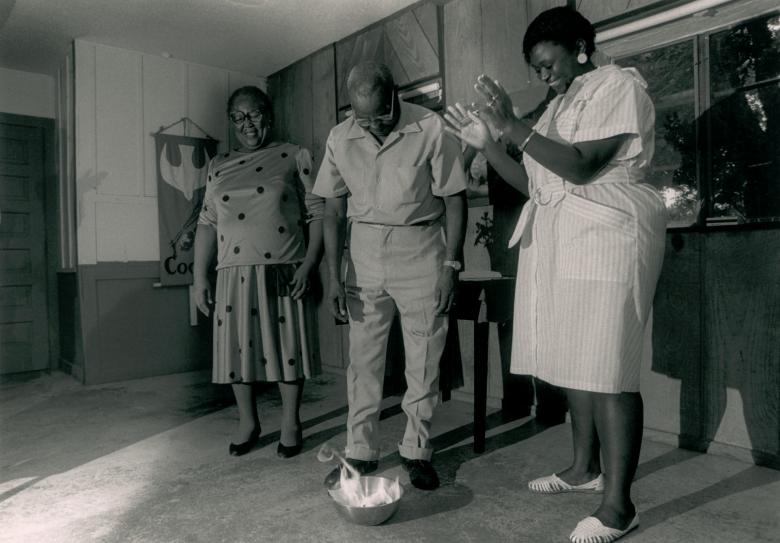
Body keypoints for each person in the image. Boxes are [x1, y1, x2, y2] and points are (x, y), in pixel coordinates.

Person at [444, 7, 666, 543]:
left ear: (580, 47)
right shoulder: (557, 107)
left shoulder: (619, 86)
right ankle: (583, 469)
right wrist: (488, 144)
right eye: (536, 69)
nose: (544, 76)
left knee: (608, 365)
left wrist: (510, 126)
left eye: (549, 63)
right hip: (562, 239)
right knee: (574, 358)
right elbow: (528, 180)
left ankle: (619, 507)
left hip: (609, 234)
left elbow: (585, 166)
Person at [313, 61, 467, 491]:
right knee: (363, 361)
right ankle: (361, 453)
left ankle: (416, 450)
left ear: (396, 95)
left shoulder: (430, 128)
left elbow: (455, 200)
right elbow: (332, 210)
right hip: (363, 255)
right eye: (364, 119)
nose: (374, 127)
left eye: (381, 116)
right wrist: (333, 276)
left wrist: (452, 265)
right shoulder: (340, 137)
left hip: (421, 250)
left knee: (423, 358)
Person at [193, 86, 324, 459]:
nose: (247, 124)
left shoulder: (294, 155)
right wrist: (199, 278)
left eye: (254, 114)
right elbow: (206, 222)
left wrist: (309, 263)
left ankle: (290, 423)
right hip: (232, 272)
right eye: (238, 117)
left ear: (269, 114)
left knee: (287, 350)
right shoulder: (218, 165)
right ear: (231, 122)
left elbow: (317, 211)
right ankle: (248, 423)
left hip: (284, 267)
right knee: (238, 351)